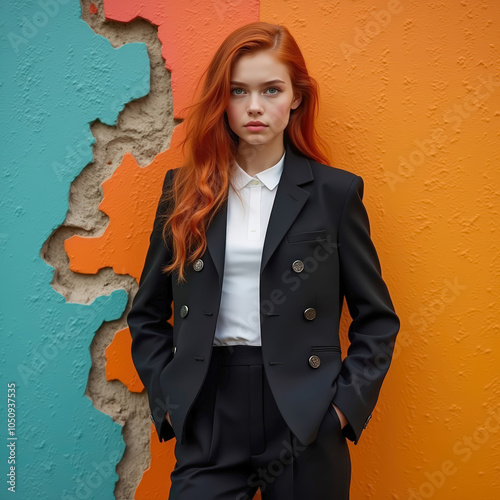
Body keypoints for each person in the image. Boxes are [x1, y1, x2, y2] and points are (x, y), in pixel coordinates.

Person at [127, 21, 400, 500]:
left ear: (296, 97)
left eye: (271, 90)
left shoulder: (334, 194)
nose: (254, 107)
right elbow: (147, 313)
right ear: (222, 100)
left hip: (305, 412)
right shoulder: (184, 192)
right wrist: (169, 399)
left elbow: (377, 319)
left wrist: (341, 410)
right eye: (238, 91)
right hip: (209, 408)